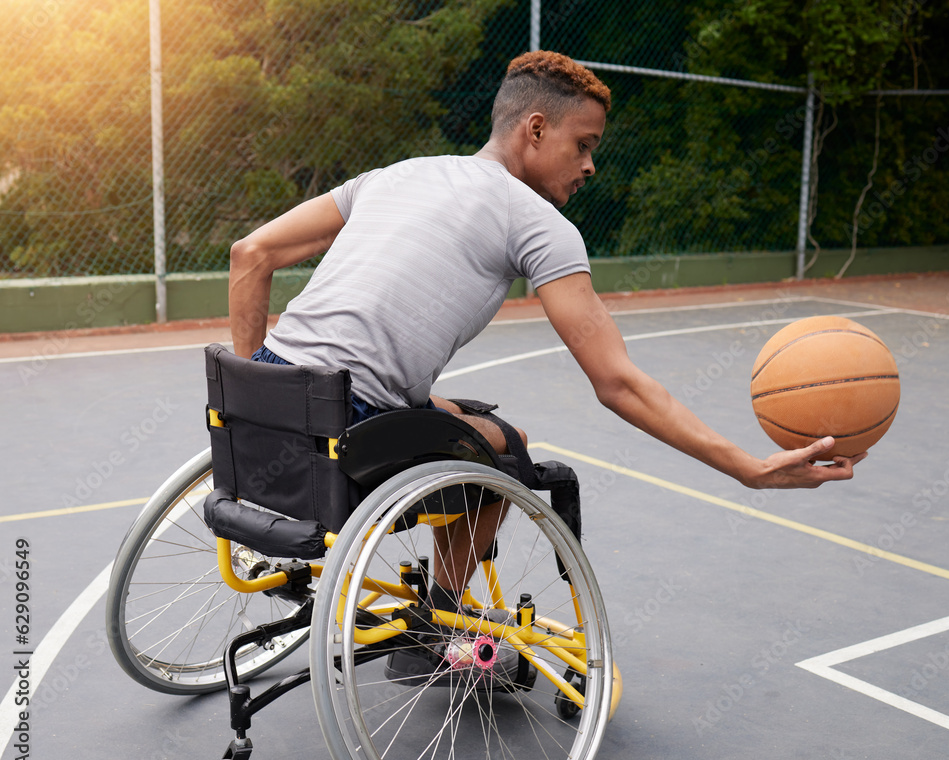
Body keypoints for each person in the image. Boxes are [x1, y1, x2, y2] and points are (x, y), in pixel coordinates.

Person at [228, 51, 865, 617]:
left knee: (458, 415)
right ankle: (441, 621)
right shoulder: (535, 221)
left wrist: (253, 379)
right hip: (351, 420)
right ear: (536, 130)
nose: (590, 166)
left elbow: (250, 253)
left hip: (272, 404)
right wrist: (747, 467)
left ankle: (433, 590)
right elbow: (617, 383)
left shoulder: (398, 174)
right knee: (506, 451)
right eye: (583, 145)